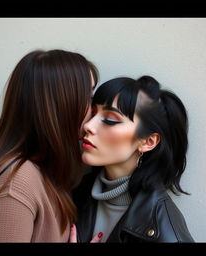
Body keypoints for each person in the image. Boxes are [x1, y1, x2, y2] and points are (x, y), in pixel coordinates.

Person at [0, 49, 99, 242]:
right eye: (89, 99)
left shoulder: (46, 170)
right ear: (61, 105)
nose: (95, 111)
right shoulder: (15, 188)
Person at [72, 75, 194, 242]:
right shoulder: (76, 193)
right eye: (92, 113)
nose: (88, 126)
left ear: (147, 142)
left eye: (109, 120)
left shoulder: (165, 231)